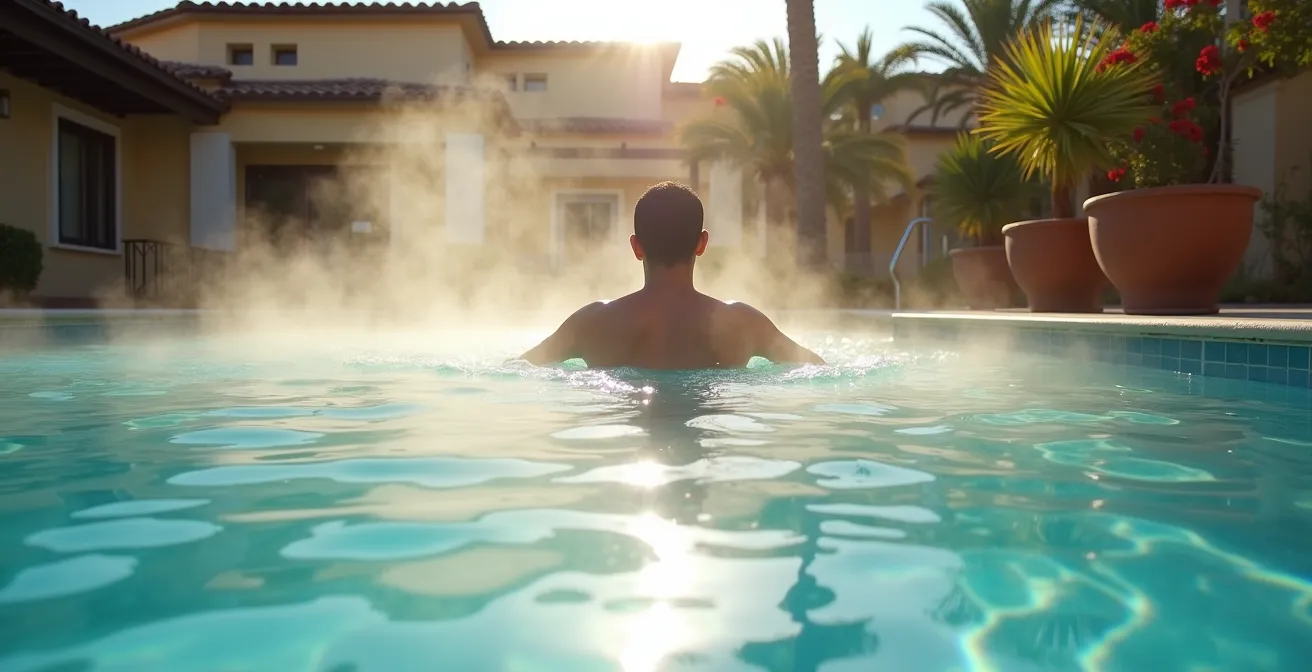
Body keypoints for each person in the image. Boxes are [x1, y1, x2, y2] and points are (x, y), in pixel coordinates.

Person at [518, 181, 825, 369]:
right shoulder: (742, 322)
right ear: (701, 244)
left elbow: (519, 368)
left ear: (636, 247)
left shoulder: (591, 322)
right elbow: (817, 369)